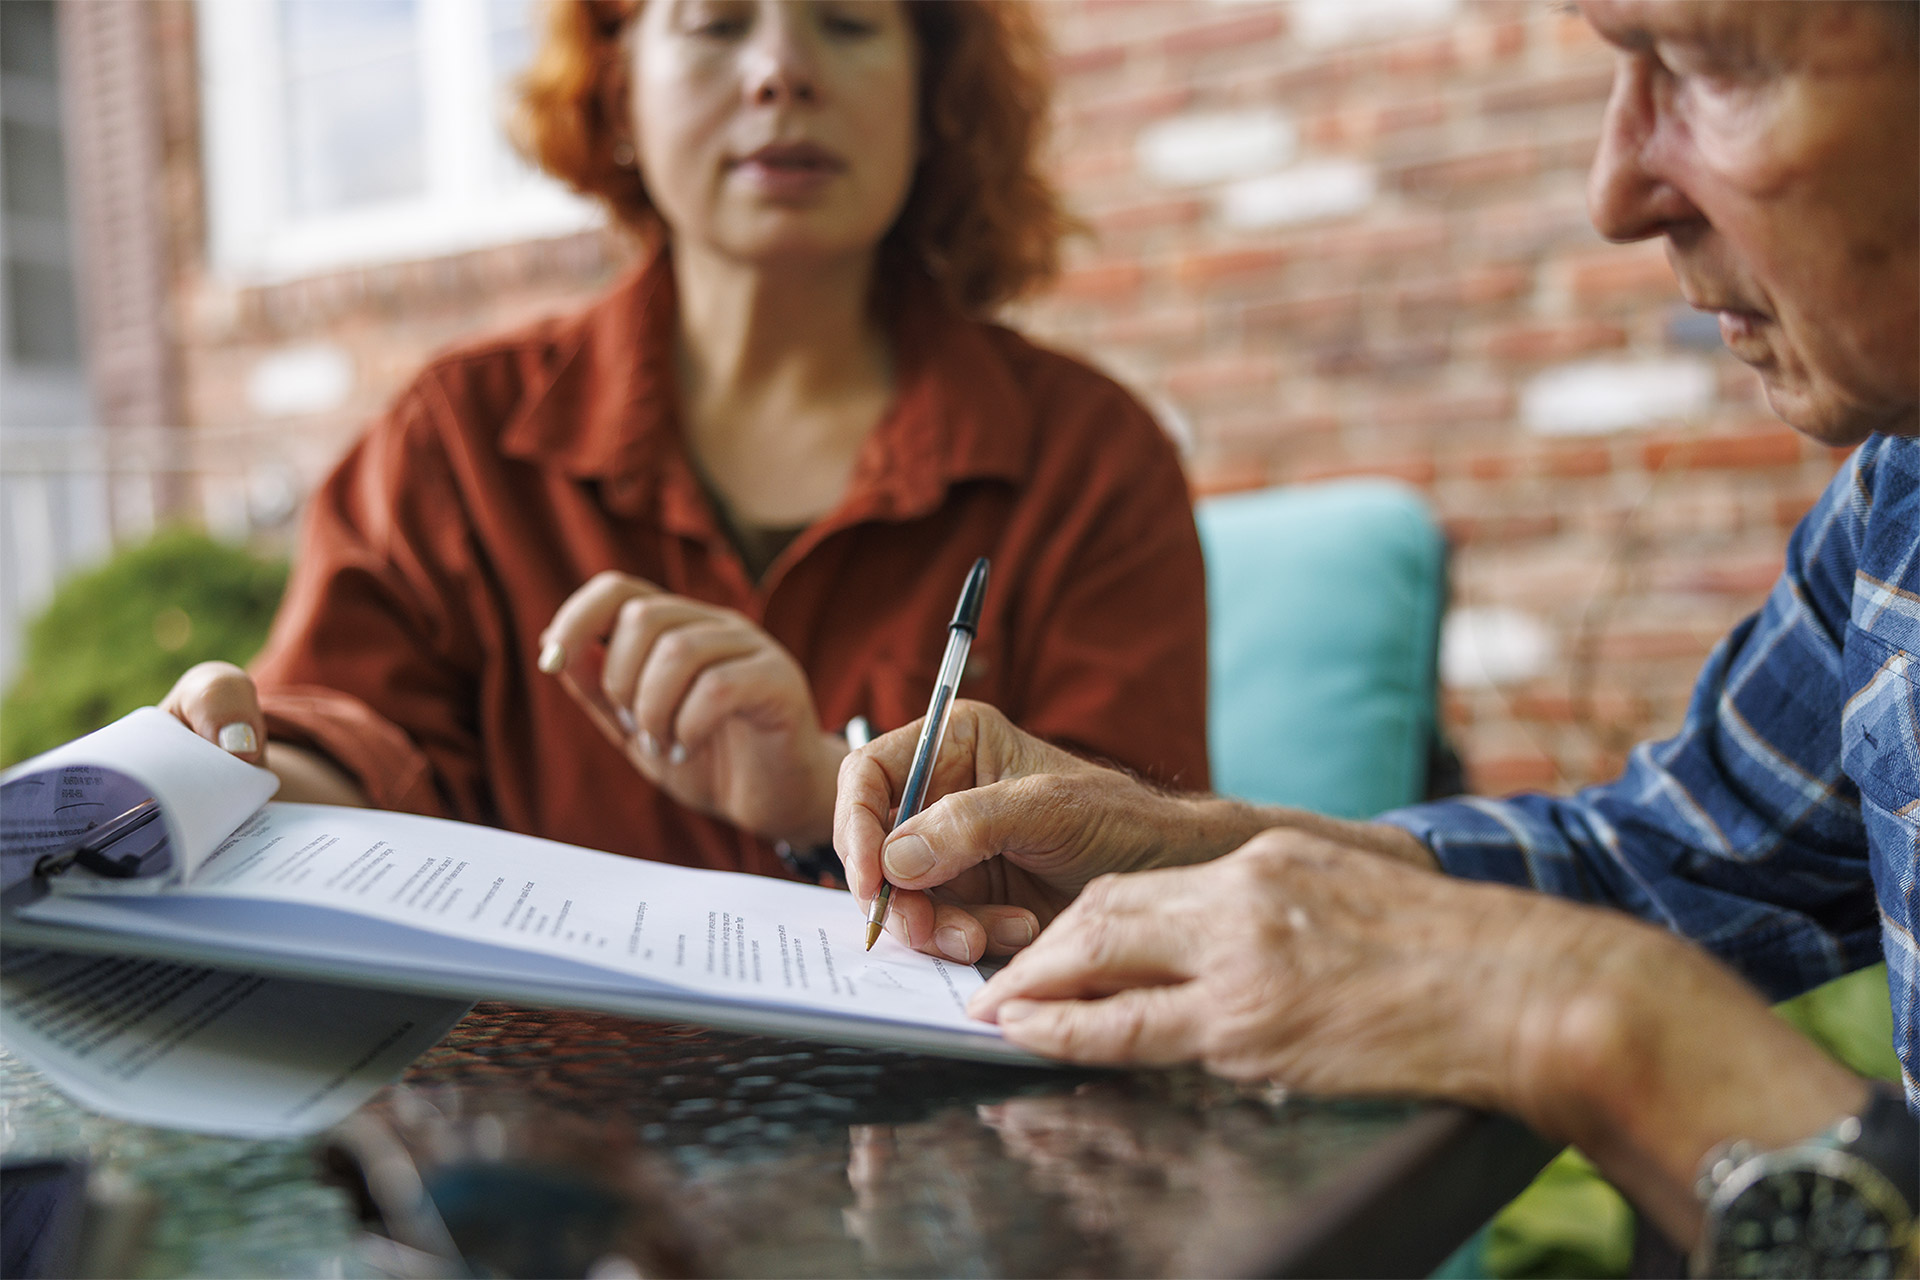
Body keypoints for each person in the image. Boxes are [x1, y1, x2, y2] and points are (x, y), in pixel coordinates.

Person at [836, 0, 1919, 1257]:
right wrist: (1185, 853)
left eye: (1711, 68)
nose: (1617, 192)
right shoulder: (1895, 491)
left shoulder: (1072, 446)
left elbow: (1607, 944)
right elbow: (1655, 860)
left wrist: (1591, 1013)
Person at [159, 0, 1209, 891]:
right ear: (618, 90)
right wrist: (237, 770)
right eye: (714, 21)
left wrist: (821, 788)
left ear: (932, 96)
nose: (783, 72)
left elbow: (1152, 880)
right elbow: (359, 746)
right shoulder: (452, 442)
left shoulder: (1091, 457)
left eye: (846, 21)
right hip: (528, 1121)